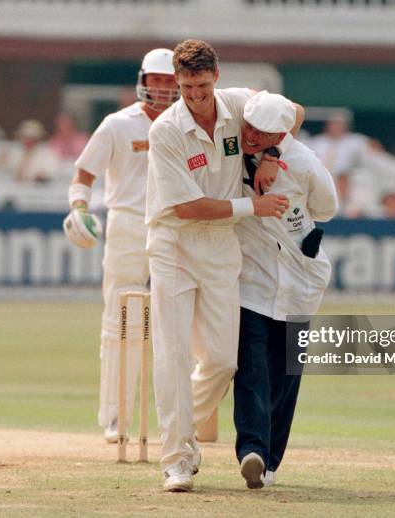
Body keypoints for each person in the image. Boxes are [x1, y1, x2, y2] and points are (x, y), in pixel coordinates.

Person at [146, 39, 302, 492]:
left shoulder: (238, 105)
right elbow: (189, 208)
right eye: (187, 86)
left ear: (218, 76)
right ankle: (176, 458)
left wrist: (272, 153)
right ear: (177, 82)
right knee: (173, 355)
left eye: (202, 85)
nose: (195, 95)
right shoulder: (167, 131)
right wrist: (252, 207)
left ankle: (179, 436)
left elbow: (294, 111)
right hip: (174, 244)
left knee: (219, 360)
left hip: (219, 249)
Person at [63, 48, 180, 443]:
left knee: (173, 324)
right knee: (119, 323)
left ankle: (179, 420)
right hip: (128, 225)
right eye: (157, 80)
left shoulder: (186, 124)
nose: (163, 88)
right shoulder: (117, 124)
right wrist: (79, 208)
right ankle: (115, 416)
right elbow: (84, 172)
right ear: (143, 82)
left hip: (174, 225)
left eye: (169, 81)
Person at [233, 92, 338, 489]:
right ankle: (252, 450)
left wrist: (275, 158)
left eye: (263, 133)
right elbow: (296, 107)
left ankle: (271, 462)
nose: (251, 136)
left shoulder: (308, 164)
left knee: (285, 372)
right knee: (250, 364)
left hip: (300, 280)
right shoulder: (235, 146)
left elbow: (326, 209)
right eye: (249, 128)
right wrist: (266, 155)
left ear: (280, 133)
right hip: (252, 278)